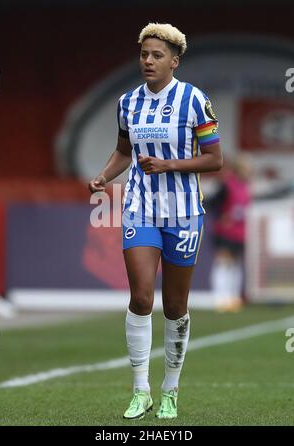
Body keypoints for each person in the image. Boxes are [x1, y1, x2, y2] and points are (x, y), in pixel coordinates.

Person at [89, 22, 223, 420]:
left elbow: (215, 160)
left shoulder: (195, 100)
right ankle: (140, 391)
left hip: (183, 213)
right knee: (142, 298)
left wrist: (169, 164)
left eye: (157, 55)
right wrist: (103, 176)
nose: (148, 61)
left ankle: (170, 391)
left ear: (174, 61)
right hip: (140, 209)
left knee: (175, 306)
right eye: (144, 54)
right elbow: (122, 151)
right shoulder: (128, 102)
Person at [207, 153, 252, 311]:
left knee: (236, 265)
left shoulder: (246, 185)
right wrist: (222, 216)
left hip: (240, 232)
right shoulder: (227, 185)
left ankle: (233, 298)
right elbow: (213, 203)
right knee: (223, 263)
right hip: (226, 232)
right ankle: (220, 298)